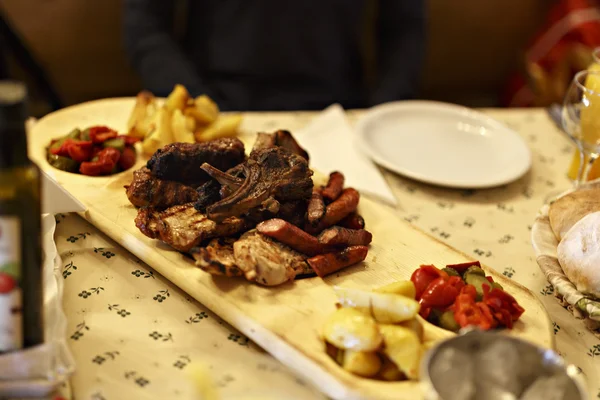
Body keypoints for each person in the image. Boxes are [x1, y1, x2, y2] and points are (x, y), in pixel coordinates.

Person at [123, 0, 426, 111]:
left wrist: (383, 112)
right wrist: (199, 106)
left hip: (339, 110)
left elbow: (405, 25)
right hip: (220, 106)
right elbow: (145, 25)